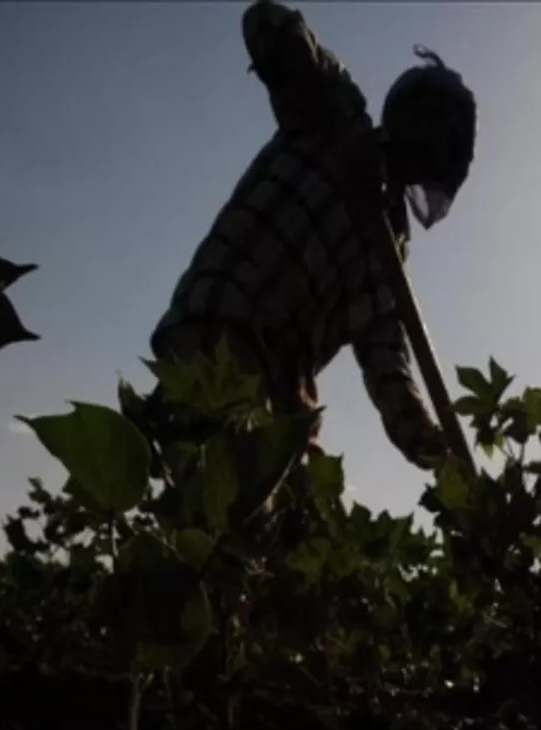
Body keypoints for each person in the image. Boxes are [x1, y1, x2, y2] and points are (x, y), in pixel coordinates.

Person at [149, 0, 478, 482]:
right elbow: (265, 18)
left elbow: (387, 361)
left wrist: (439, 455)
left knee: (307, 525)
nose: (432, 146)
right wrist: (324, 100)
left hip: (283, 386)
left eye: (444, 144)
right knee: (227, 504)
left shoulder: (388, 248)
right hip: (220, 325)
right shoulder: (336, 115)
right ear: (407, 114)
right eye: (431, 127)